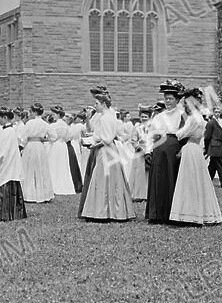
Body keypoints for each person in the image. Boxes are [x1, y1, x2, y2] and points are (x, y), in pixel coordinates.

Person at [79, 86, 135, 222]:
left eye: (96, 104)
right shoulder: (107, 116)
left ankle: (104, 211)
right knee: (108, 180)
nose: (95, 106)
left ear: (103, 104)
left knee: (104, 180)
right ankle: (108, 210)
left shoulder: (106, 118)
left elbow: (107, 139)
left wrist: (93, 145)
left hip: (106, 151)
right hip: (107, 150)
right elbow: (101, 135)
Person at [170, 88, 222, 225]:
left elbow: (180, 134)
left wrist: (170, 131)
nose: (185, 106)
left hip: (190, 149)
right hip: (195, 149)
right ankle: (196, 212)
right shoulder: (199, 117)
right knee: (196, 179)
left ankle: (190, 213)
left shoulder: (193, 119)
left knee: (188, 180)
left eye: (187, 103)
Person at [146, 81, 186, 222]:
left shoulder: (182, 115)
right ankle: (156, 214)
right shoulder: (158, 117)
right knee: (158, 180)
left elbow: (186, 135)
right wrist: (147, 151)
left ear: (177, 100)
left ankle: (171, 213)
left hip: (173, 151)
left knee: (171, 179)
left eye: (170, 99)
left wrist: (182, 149)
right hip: (159, 150)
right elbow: (150, 135)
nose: (167, 102)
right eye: (166, 99)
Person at [0, 108, 27, 221]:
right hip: (7, 161)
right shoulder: (7, 131)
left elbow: (3, 151)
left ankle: (2, 212)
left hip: (5, 162)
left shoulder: (8, 132)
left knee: (3, 181)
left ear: (5, 118)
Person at [19, 103, 54, 204]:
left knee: (28, 169)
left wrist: (22, 145)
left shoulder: (29, 123)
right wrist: (43, 139)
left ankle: (29, 194)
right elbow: (54, 136)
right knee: (40, 168)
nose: (29, 114)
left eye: (30, 112)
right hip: (39, 146)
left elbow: (23, 138)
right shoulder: (44, 123)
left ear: (34, 112)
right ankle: (42, 194)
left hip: (30, 146)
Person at [203, 106, 222, 188]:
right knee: (220, 165)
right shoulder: (211, 123)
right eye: (216, 112)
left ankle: (207, 181)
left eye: (219, 112)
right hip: (214, 146)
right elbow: (207, 137)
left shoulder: (218, 121)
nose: (217, 113)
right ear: (213, 112)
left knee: (212, 166)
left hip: (217, 145)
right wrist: (206, 148)